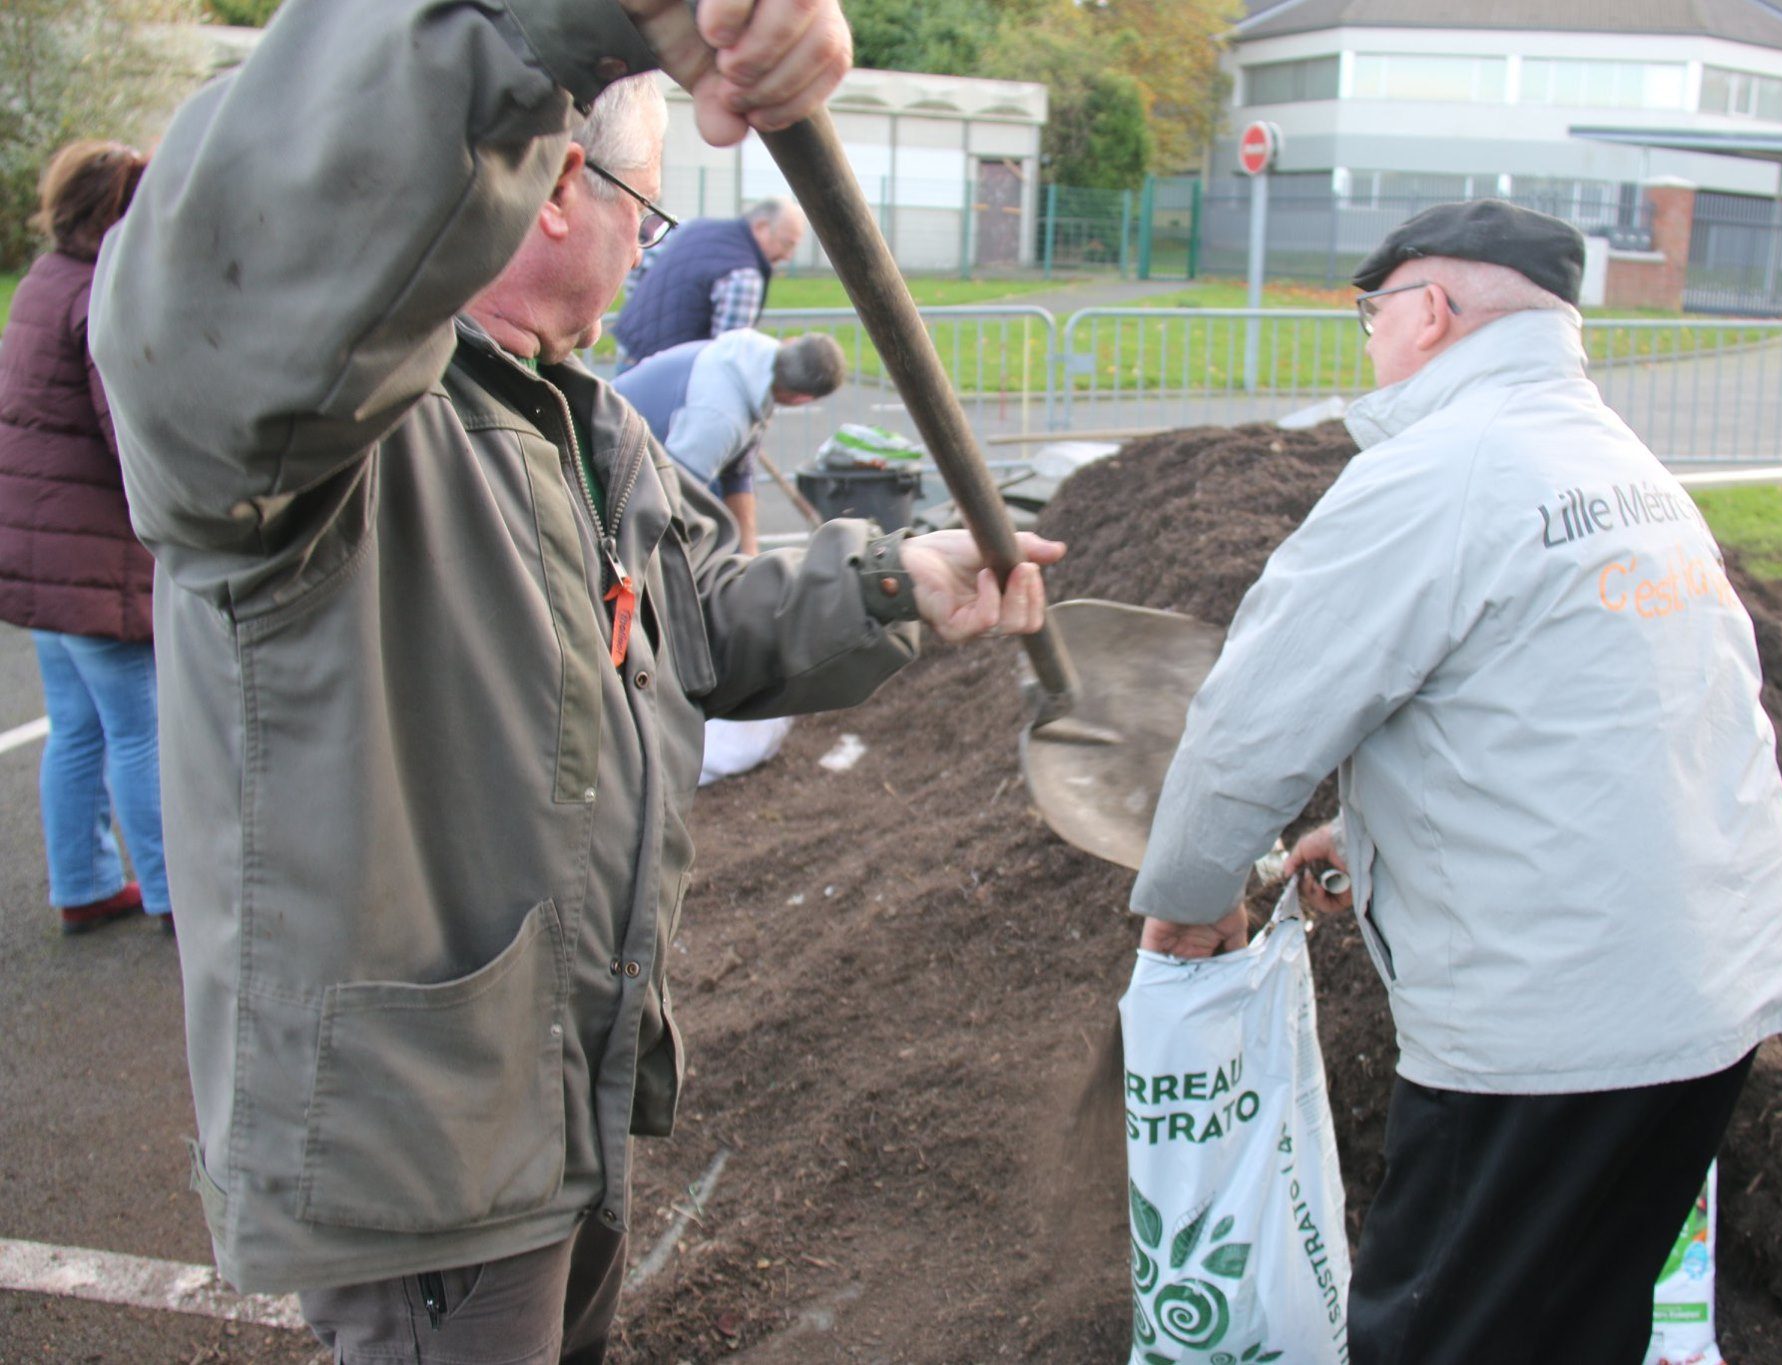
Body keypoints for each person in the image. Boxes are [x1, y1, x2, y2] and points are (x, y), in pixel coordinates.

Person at [89, 1, 1060, 1358]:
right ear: (555, 185)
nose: (646, 250)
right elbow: (229, 272)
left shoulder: (579, 420)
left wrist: (897, 581)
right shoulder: (314, 439)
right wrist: (557, 27)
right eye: (645, 213)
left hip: (559, 1089)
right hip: (427, 1147)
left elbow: (696, 619)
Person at [1131, 200, 1782, 1365]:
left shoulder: (1436, 473)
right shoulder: (1620, 466)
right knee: (1575, 1320)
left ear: (1430, 311)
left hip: (1545, 1034)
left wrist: (1188, 905)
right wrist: (1371, 837)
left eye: (1372, 313)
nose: (1368, 338)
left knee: (1446, 1332)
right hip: (1705, 1001)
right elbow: (1590, 722)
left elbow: (1247, 729)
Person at [0, 140, 171, 938]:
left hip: (37, 550)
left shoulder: (43, 279)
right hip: (89, 554)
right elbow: (128, 435)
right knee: (141, 729)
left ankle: (83, 882)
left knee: (76, 725)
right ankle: (175, 892)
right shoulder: (99, 295)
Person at [614, 328, 845, 554]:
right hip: (614, 472)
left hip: (640, 464)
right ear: (801, 399)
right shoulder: (719, 417)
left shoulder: (749, 360)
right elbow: (674, 505)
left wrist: (749, 559)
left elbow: (738, 475)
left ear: (790, 342)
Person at [611, 197, 805, 364]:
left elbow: (642, 264)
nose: (788, 256)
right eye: (787, 244)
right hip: (670, 372)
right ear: (761, 227)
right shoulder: (744, 273)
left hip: (630, 351)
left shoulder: (695, 227)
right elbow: (727, 355)